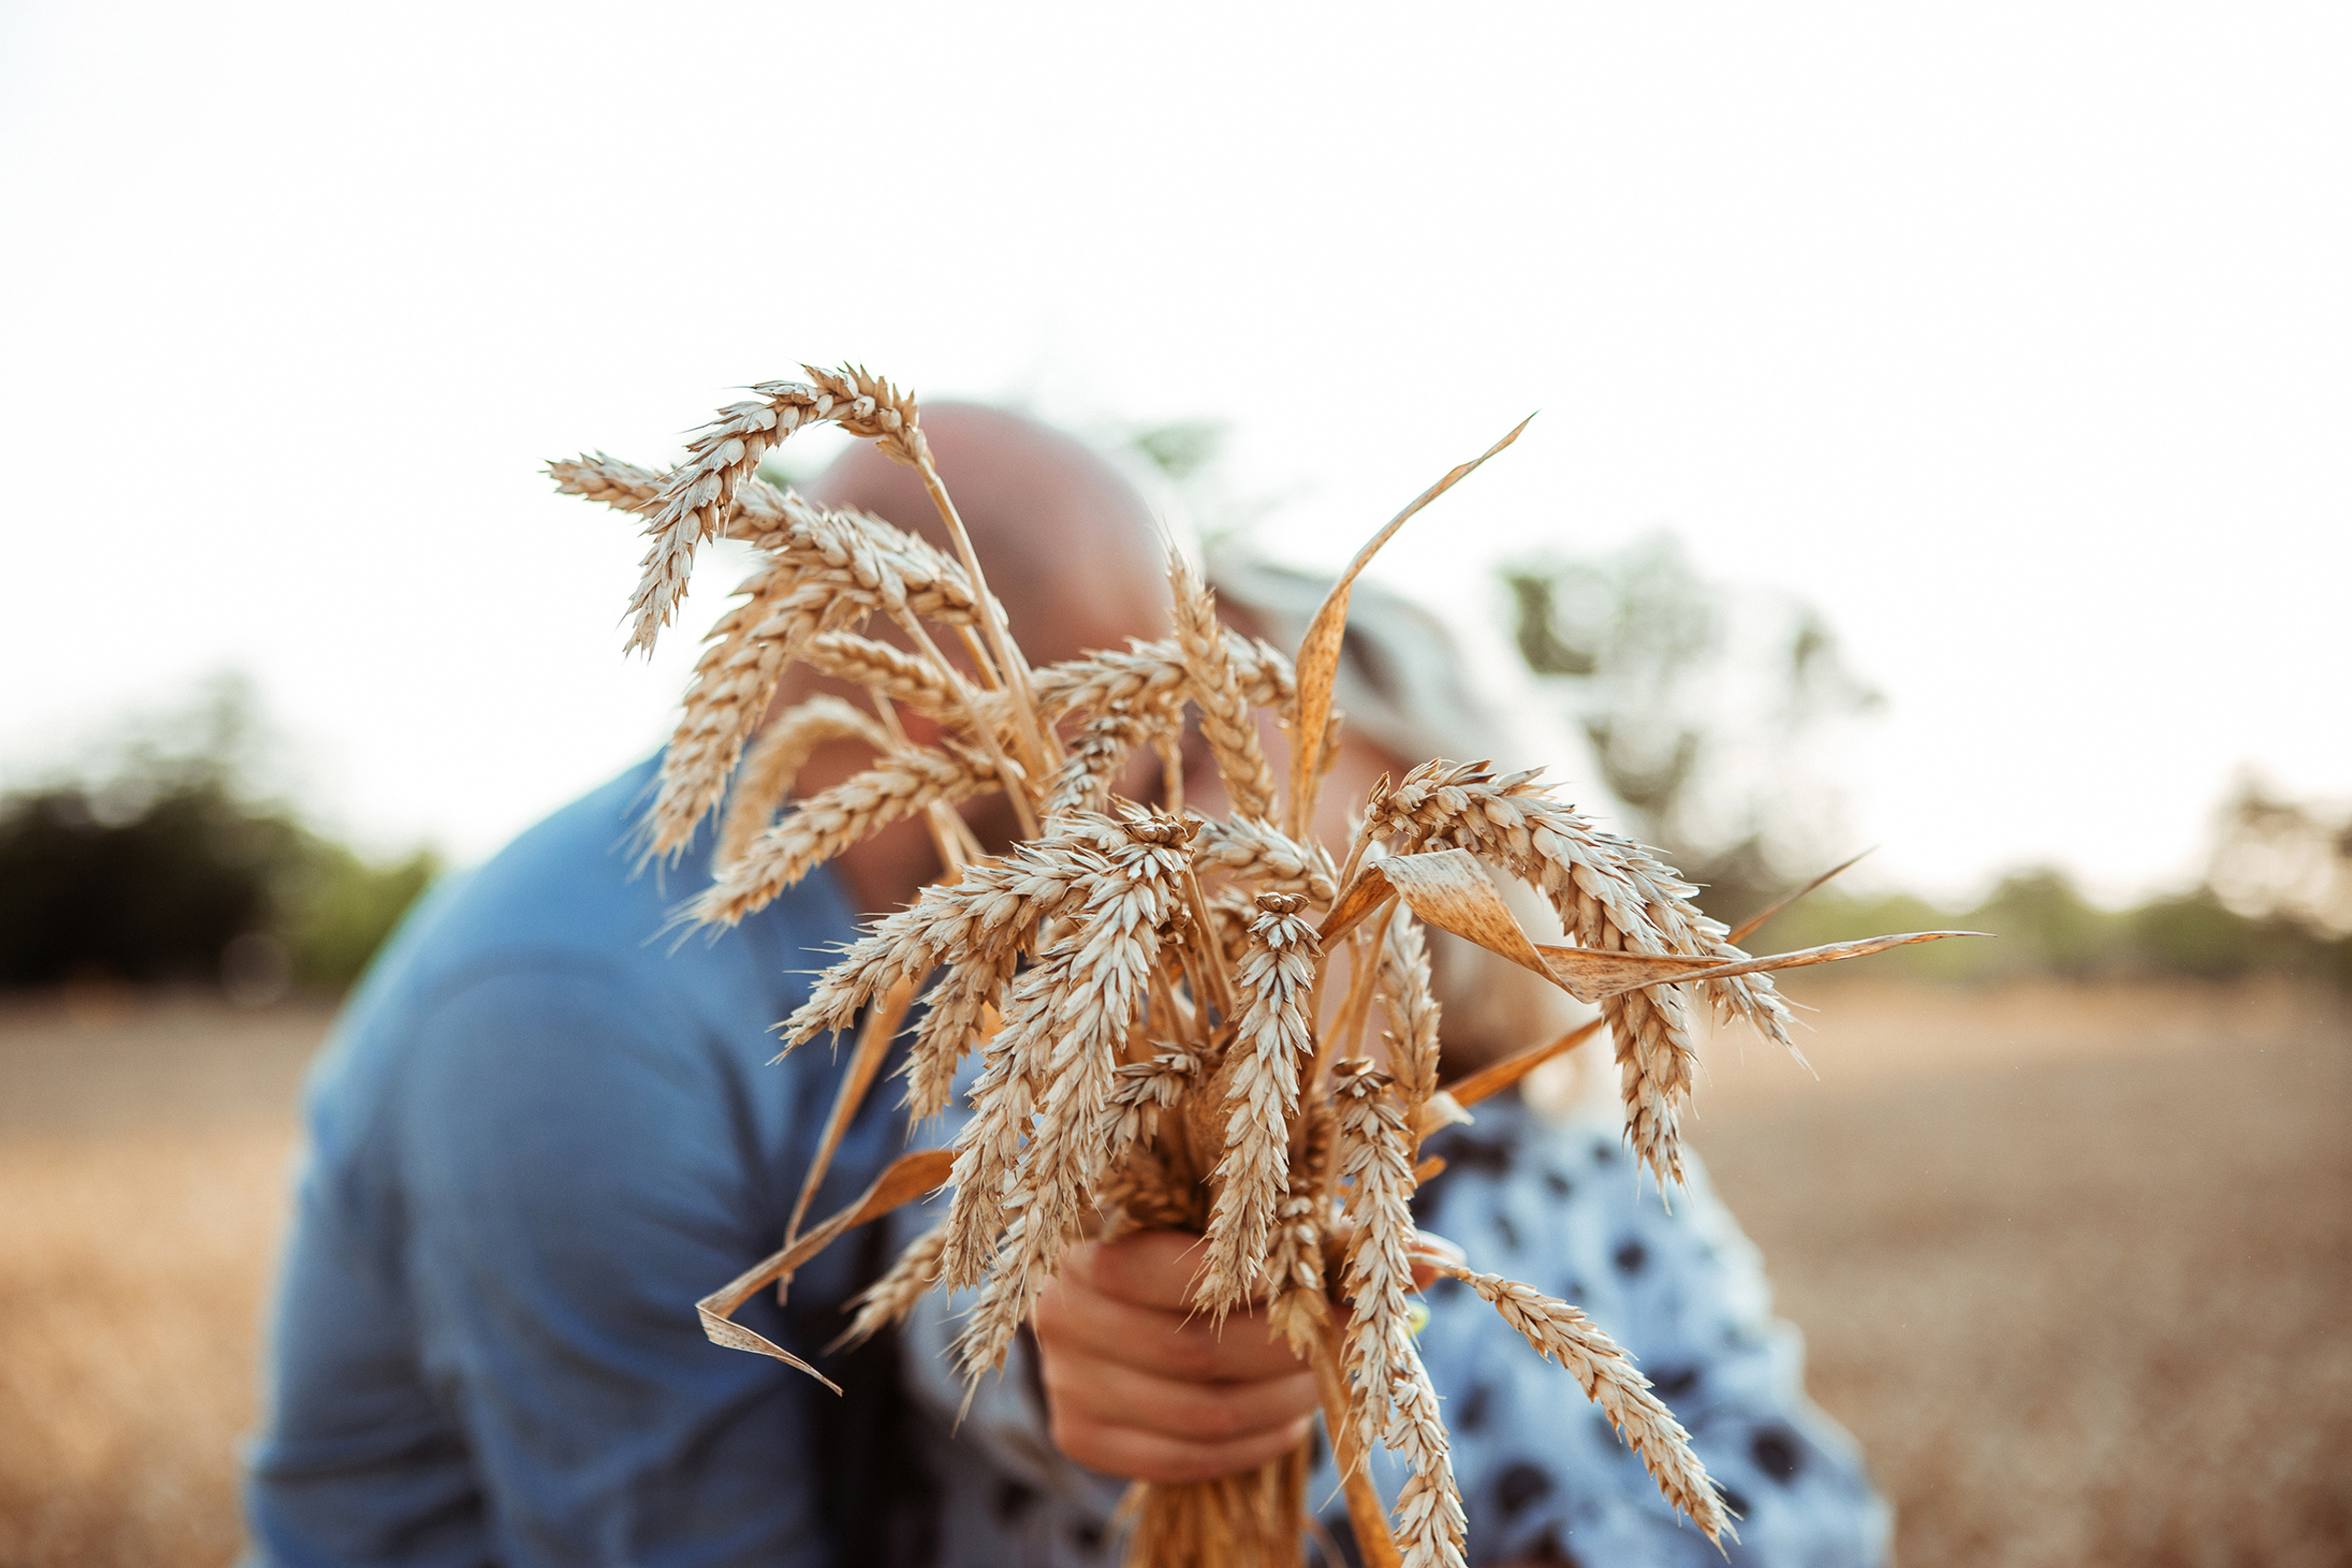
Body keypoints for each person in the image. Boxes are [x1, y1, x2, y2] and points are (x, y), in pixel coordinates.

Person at [243, 404, 1888, 1566]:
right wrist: (1067, 1340)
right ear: (938, 688)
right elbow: (973, 1294)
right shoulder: (566, 1019)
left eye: (1199, 734)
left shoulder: (1570, 1179)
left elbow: (1803, 1497)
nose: (1175, 817)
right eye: (1149, 734)